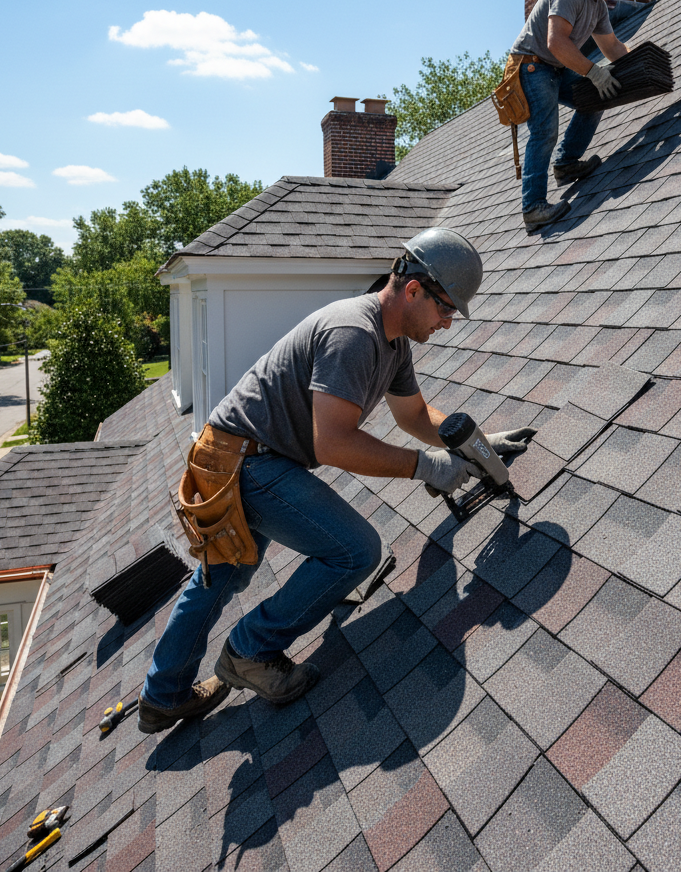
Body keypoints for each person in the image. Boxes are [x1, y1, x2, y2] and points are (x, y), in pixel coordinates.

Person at [137, 228, 534, 732]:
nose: (448, 322)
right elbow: (335, 444)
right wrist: (429, 467)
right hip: (244, 462)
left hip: (241, 454)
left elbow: (413, 417)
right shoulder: (354, 334)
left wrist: (472, 443)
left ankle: (162, 695)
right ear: (413, 290)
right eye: (446, 309)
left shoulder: (392, 343)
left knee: (223, 573)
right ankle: (249, 652)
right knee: (355, 551)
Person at [510, 0, 640, 233]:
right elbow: (556, 42)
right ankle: (533, 208)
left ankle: (566, 163)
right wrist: (594, 73)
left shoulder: (599, 8)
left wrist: (642, 58)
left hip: (555, 66)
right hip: (532, 65)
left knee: (595, 97)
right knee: (545, 130)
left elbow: (613, 49)